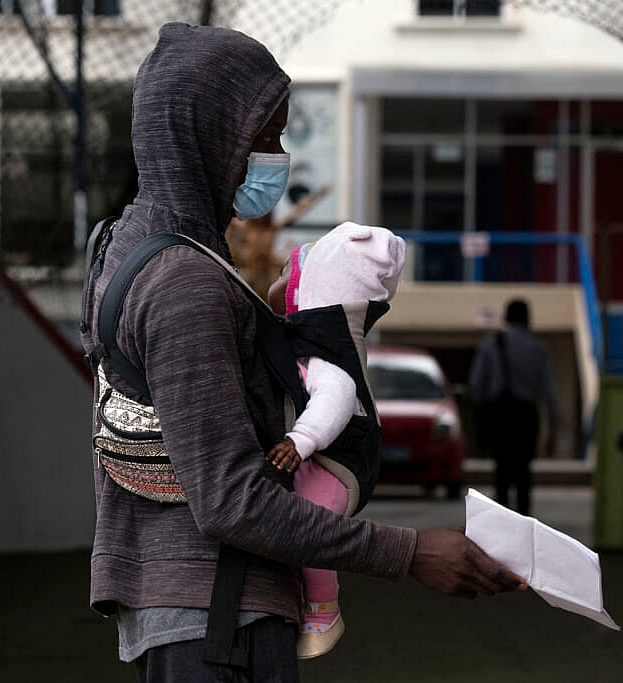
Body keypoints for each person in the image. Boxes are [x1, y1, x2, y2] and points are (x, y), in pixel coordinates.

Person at [80, 22, 526, 682]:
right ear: (206, 135)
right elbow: (231, 501)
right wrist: (410, 552)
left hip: (188, 615)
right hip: (220, 626)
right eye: (263, 138)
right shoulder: (186, 285)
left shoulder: (122, 246)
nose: (275, 158)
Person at [265, 222, 406, 659]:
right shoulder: (307, 340)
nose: (284, 289)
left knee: (312, 527)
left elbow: (336, 399)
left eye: (295, 281)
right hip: (320, 456)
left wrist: (300, 440)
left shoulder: (331, 357)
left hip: (338, 466)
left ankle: (325, 609)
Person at [468, 298, 559, 516]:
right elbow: (548, 392)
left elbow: (476, 384)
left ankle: (503, 521)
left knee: (501, 471)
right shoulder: (538, 349)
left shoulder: (491, 344)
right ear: (528, 319)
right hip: (527, 415)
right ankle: (524, 518)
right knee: (523, 472)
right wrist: (553, 429)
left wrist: (482, 416)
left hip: (500, 414)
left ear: (506, 318)